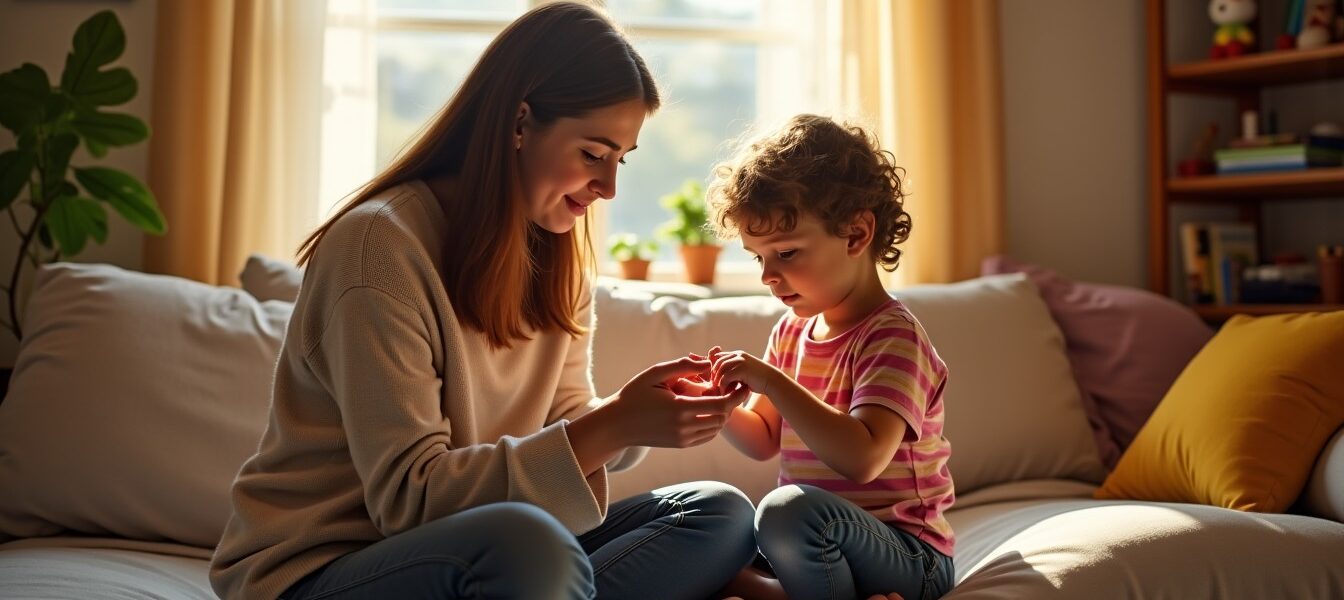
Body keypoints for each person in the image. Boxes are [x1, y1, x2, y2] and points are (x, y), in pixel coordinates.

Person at [208, 4, 756, 599]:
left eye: (620, 160)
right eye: (593, 154)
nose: (609, 188)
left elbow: (564, 418)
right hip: (322, 568)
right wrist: (614, 423)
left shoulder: (559, 249)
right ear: (520, 122)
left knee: (715, 513)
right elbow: (409, 500)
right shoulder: (378, 249)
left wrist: (635, 414)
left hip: (492, 554)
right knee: (529, 548)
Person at [704, 115, 956, 600]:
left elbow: (862, 458)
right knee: (719, 533)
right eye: (759, 257)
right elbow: (763, 440)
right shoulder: (791, 331)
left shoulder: (893, 337)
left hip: (909, 555)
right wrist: (720, 407)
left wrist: (773, 381)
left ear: (857, 234)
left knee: (782, 512)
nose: (768, 276)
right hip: (820, 544)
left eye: (787, 252)